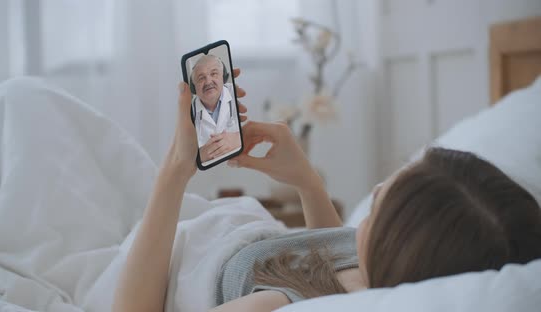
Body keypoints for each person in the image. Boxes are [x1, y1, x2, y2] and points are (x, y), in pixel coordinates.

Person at [113, 70, 541, 312]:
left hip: (151, 264)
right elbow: (335, 253)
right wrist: (306, 182)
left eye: (377, 205)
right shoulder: (374, 271)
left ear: (401, 248)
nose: (374, 190)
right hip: (202, 230)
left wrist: (175, 170)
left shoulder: (275, 306)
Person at [189, 55, 240, 162]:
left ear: (223, 77)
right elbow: (183, 156)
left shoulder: (236, 92)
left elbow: (253, 130)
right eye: (201, 78)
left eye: (214, 74)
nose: (208, 82)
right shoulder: (187, 111)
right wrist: (197, 157)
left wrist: (238, 138)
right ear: (194, 88)